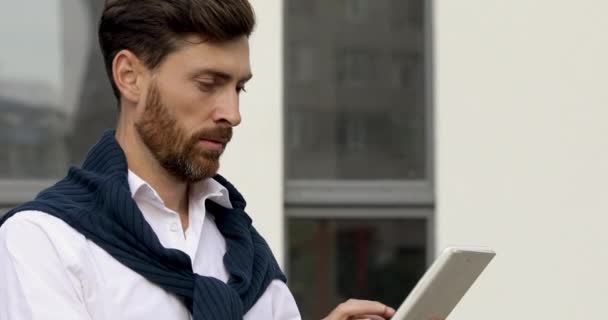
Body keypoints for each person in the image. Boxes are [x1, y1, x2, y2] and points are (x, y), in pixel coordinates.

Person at [0, 1, 396, 319]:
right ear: (130, 76)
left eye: (239, 87)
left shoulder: (247, 254)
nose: (232, 112)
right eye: (208, 84)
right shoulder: (43, 244)